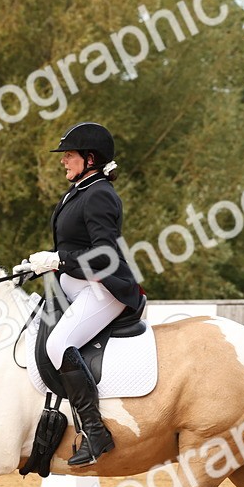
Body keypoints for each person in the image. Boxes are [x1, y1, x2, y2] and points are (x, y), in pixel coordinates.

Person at [19, 122, 144, 466]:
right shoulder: (78, 190)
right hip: (77, 283)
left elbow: (104, 256)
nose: (63, 161)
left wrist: (57, 260)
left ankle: (95, 431)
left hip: (105, 286)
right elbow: (73, 246)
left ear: (90, 159)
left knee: (58, 345)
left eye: (69, 155)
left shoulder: (100, 193)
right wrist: (39, 264)